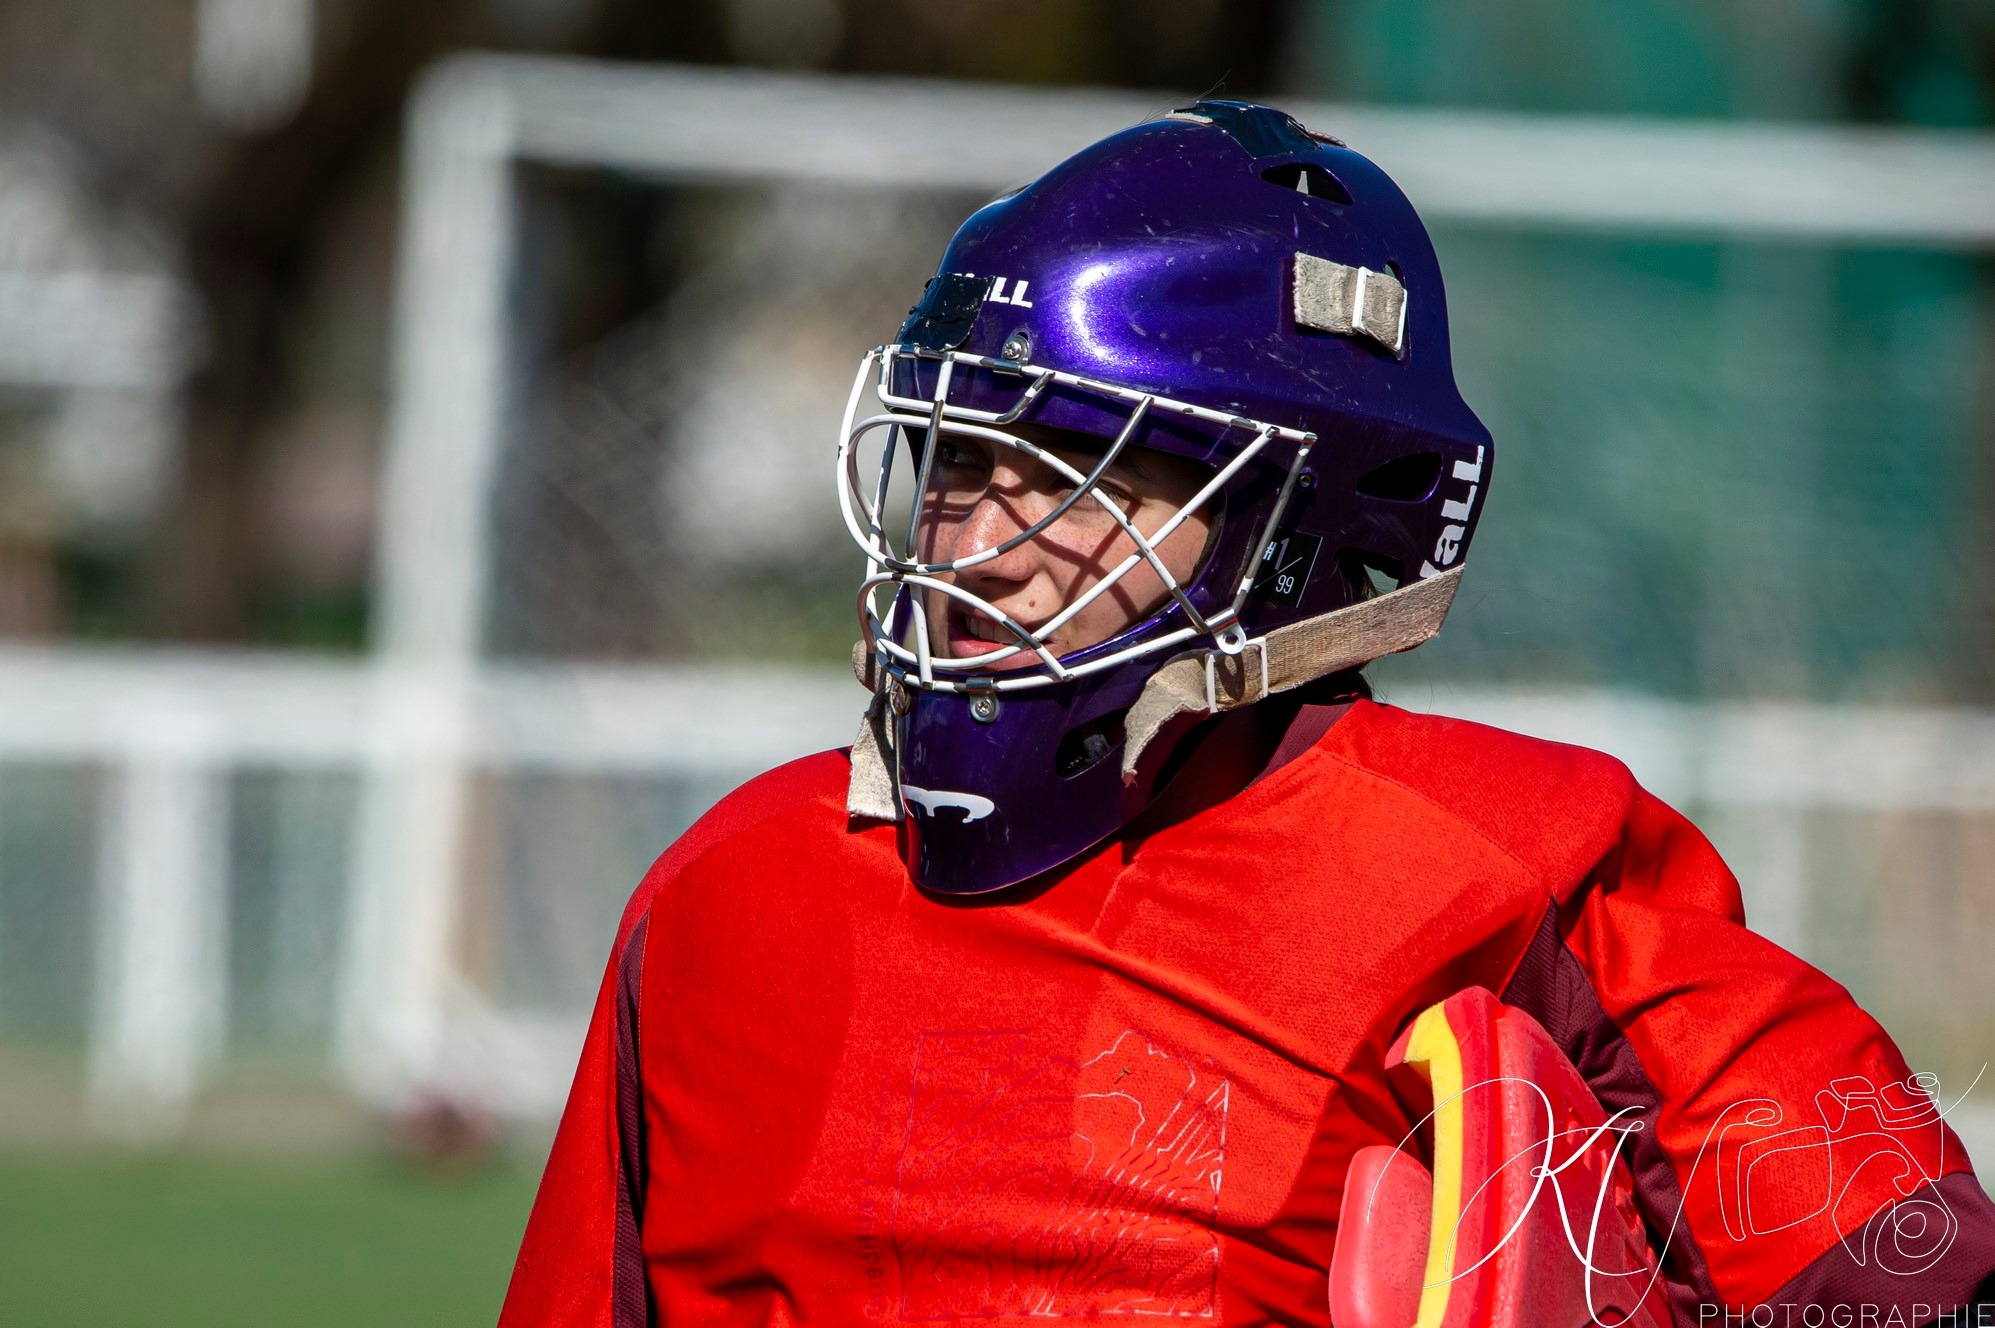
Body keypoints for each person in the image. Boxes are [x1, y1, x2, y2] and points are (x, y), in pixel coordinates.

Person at [498, 102, 1995, 1327]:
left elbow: (1915, 1283)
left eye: (1077, 462)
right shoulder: (729, 890)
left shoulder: (1515, 870)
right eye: (958, 455)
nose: (973, 535)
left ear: (1289, 523)